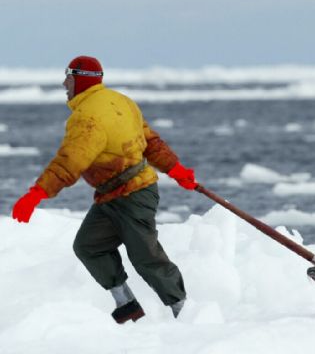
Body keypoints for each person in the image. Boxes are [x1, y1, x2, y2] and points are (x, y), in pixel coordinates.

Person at [11, 56, 198, 324]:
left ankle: (185, 312)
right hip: (112, 196)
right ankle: (128, 304)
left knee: (146, 256)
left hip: (134, 193)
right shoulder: (121, 101)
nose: (65, 83)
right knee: (89, 245)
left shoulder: (87, 117)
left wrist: (36, 194)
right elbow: (152, 143)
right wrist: (176, 169)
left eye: (69, 77)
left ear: (80, 79)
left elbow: (70, 161)